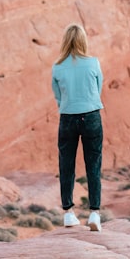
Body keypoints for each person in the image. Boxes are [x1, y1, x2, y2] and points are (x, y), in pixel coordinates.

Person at [51, 23, 104, 231]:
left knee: (66, 165)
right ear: (83, 40)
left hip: (67, 117)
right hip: (91, 116)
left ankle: (68, 213)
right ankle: (94, 213)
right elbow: (97, 89)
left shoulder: (57, 67)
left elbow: (58, 96)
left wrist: (69, 106)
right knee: (93, 164)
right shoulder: (93, 63)